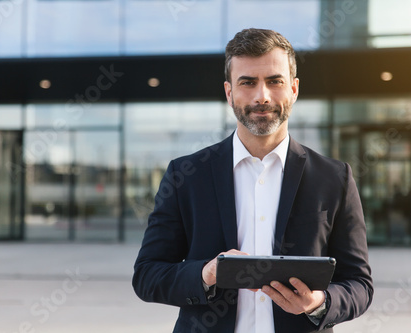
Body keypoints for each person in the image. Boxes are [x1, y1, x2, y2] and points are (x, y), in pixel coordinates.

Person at [132, 28, 373, 333]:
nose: (262, 96)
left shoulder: (335, 178)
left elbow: (360, 285)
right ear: (229, 92)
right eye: (247, 82)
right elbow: (147, 275)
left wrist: (319, 302)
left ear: (294, 89)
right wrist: (205, 274)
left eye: (275, 81)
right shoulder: (186, 175)